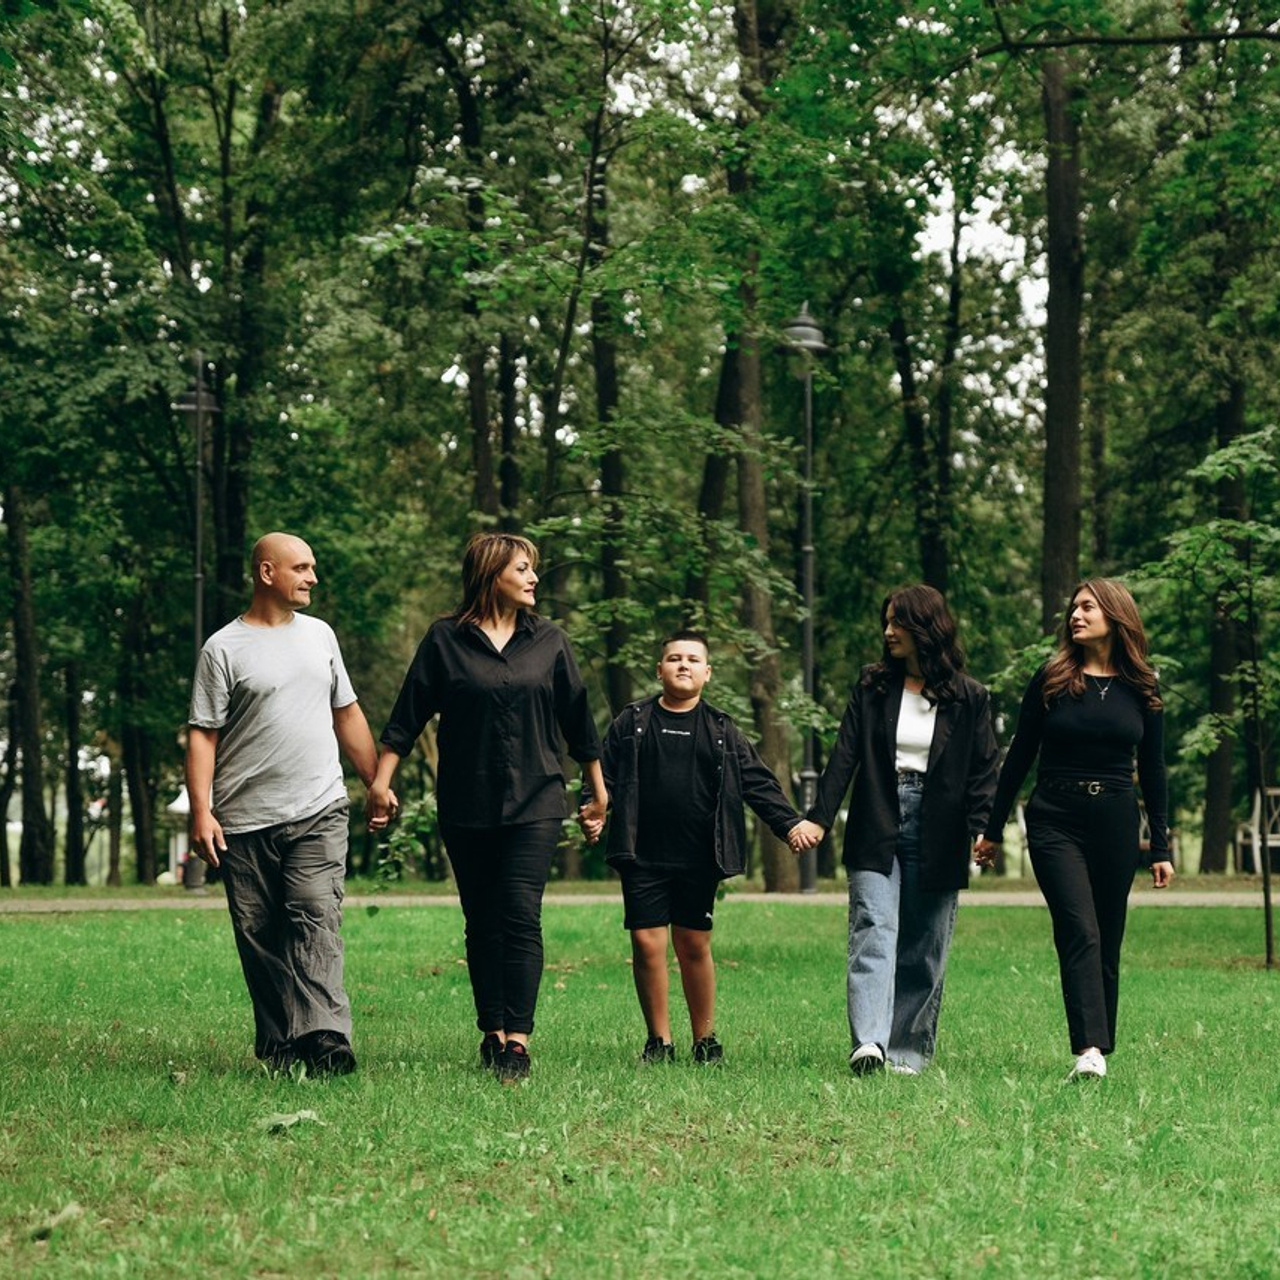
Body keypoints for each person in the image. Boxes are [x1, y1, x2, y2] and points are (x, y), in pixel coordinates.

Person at [367, 533, 606, 1083]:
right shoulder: (444, 641)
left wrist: (598, 791)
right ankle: (492, 1030)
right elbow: (406, 719)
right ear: (491, 573)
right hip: (466, 800)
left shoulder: (550, 641)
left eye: (533, 570)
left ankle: (516, 1043)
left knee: (520, 913)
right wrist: (381, 783)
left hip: (538, 798)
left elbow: (579, 722)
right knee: (482, 921)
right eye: (522, 569)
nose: (533, 579)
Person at [186, 532, 385, 1077]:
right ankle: (280, 1044)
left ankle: (325, 1036)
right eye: (301, 567)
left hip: (318, 806)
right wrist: (201, 810)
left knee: (315, 912)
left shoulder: (320, 636)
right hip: (244, 817)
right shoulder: (222, 649)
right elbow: (203, 734)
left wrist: (375, 779)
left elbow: (347, 711)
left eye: (313, 567)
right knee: (260, 934)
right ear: (267, 573)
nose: (313, 577)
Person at [790, 585, 998, 1076]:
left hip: (941, 824)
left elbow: (984, 768)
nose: (887, 632)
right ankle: (870, 1044)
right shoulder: (872, 687)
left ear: (926, 627)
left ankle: (906, 1054)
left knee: (924, 943)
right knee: (873, 927)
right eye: (885, 623)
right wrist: (819, 817)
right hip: (878, 816)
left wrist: (983, 828)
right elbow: (843, 755)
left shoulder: (970, 697)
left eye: (897, 623)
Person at [974, 579, 1174, 1080]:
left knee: (1108, 934)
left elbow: (1153, 769)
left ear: (1116, 614)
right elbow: (1018, 757)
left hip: (1115, 818)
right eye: (1074, 609)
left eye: (1088, 608)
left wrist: (1162, 846)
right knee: (1079, 928)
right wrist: (992, 829)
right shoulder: (1052, 679)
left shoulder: (1143, 687)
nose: (1076, 616)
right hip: (1054, 817)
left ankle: (1100, 1045)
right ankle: (1087, 1048)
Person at [588, 630, 804, 1066]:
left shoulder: (722, 729)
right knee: (648, 944)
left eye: (692, 659)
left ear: (707, 673)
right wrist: (593, 810)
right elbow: (603, 777)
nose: (682, 665)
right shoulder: (632, 722)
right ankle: (659, 1041)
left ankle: (705, 1040)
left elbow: (758, 783)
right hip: (641, 853)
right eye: (673, 658)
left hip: (699, 855)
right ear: (659, 669)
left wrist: (791, 823)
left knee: (692, 945)